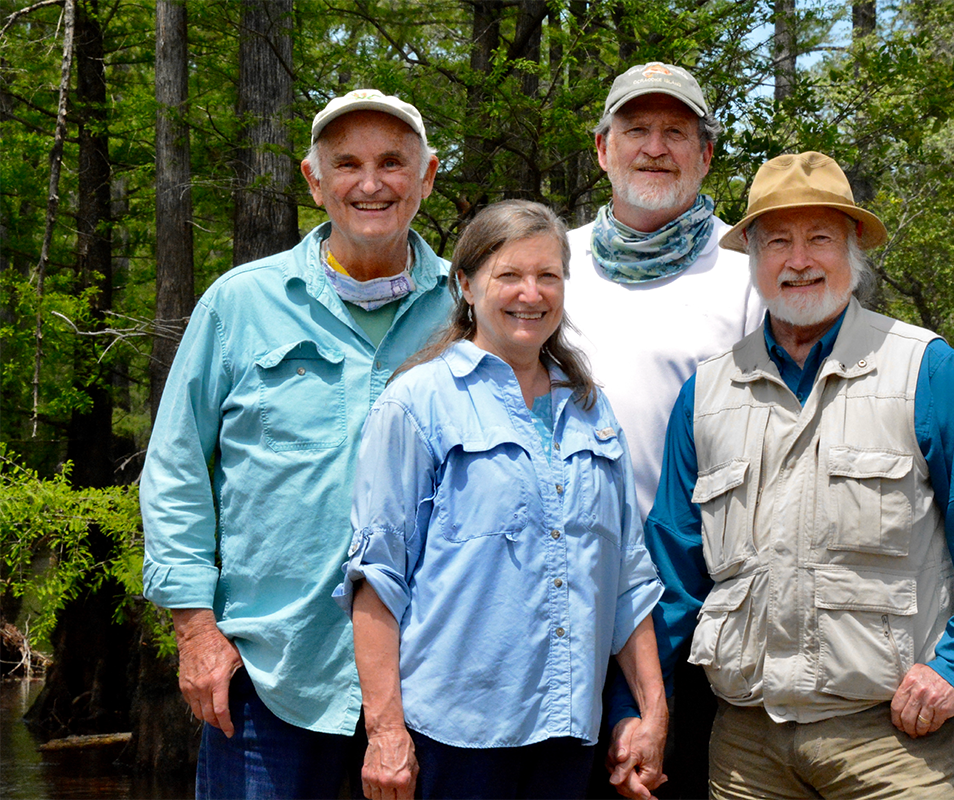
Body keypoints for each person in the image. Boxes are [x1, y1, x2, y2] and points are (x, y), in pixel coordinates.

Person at [627, 151, 954, 799]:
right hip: (746, 747)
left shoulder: (923, 368)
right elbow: (672, 578)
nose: (799, 260)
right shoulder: (703, 394)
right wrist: (641, 711)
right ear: (753, 261)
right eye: (778, 242)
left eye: (820, 237)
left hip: (893, 744)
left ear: (853, 252)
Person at [140, 89, 452, 800]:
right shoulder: (240, 304)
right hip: (268, 677)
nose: (369, 183)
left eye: (391, 163)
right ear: (314, 181)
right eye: (346, 164)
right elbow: (177, 469)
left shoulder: (467, 310)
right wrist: (195, 633)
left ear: (428, 176)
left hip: (433, 683)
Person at [334, 200, 668, 800]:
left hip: (569, 735)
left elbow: (629, 578)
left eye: (548, 276)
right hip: (453, 740)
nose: (530, 294)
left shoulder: (590, 408)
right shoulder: (417, 402)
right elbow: (376, 578)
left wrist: (653, 713)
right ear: (465, 284)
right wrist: (385, 732)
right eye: (508, 275)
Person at [564, 62, 763, 799]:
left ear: (705, 154)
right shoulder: (552, 261)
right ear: (602, 147)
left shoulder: (747, 274)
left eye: (676, 132)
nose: (655, 147)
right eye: (636, 129)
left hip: (694, 603)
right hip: (565, 595)